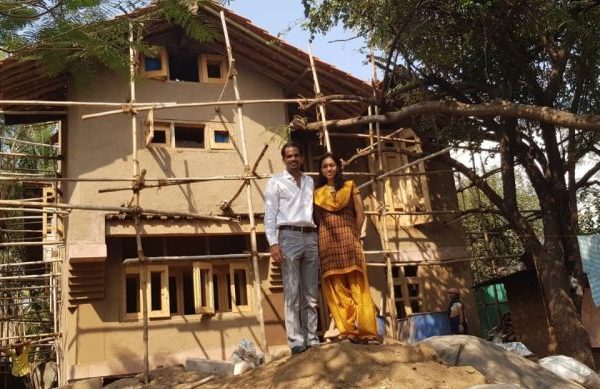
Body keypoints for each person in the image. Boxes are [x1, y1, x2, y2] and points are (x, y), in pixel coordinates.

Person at [314, 153, 378, 343]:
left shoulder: (350, 187)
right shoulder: (317, 194)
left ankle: (368, 332)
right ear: (321, 170)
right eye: (325, 166)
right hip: (328, 243)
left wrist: (354, 233)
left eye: (332, 165)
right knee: (337, 288)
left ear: (337, 167)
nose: (329, 169)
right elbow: (318, 219)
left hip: (349, 240)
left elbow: (360, 214)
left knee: (358, 285)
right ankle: (347, 330)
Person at [264, 142, 320, 355]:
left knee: (311, 292)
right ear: (284, 159)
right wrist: (273, 242)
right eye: (289, 156)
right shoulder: (276, 182)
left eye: (297, 155)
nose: (294, 159)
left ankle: (312, 338)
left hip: (310, 236)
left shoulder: (309, 182)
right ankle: (296, 341)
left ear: (302, 158)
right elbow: (270, 214)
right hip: (288, 237)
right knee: (292, 292)